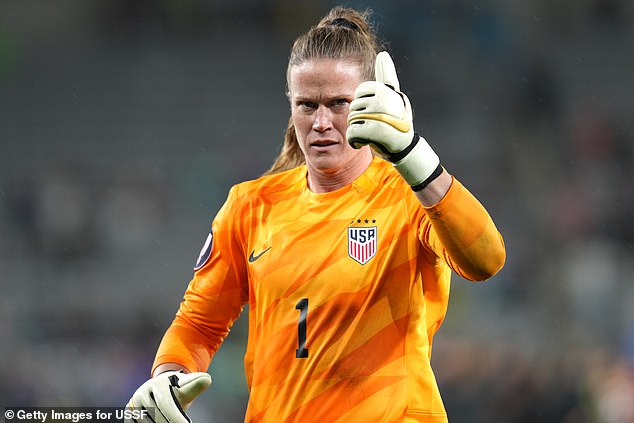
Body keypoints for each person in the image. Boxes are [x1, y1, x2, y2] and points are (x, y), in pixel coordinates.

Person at [127, 6, 506, 423]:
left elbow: (486, 260)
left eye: (338, 103)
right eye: (307, 105)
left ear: (367, 99)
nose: (322, 122)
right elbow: (198, 324)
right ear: (290, 105)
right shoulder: (251, 206)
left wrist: (412, 153)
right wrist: (168, 376)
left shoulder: (408, 193)